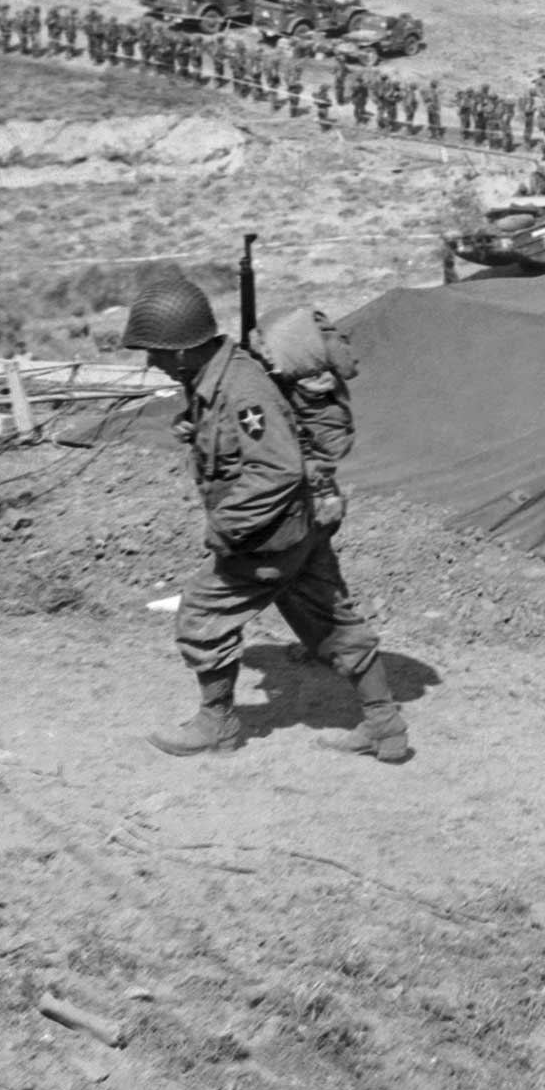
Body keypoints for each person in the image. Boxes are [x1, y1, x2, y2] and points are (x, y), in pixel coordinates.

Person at [121, 276, 410, 763]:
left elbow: (277, 467)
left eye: (158, 352)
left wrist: (225, 526)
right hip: (300, 529)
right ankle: (385, 727)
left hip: (269, 537)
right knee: (334, 624)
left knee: (201, 615)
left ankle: (218, 725)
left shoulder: (242, 389)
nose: (153, 362)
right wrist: (193, 426)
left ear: (186, 350)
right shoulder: (213, 380)